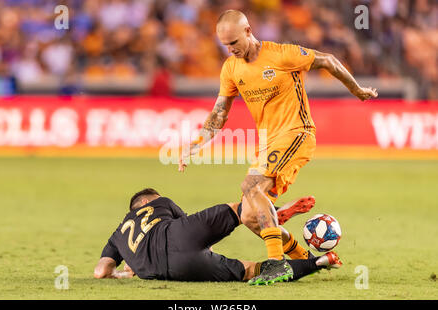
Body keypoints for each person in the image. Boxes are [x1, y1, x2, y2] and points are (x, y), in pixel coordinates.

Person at [178, 10, 377, 285]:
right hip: (268, 144)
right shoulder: (231, 68)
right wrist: (197, 143)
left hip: (297, 133)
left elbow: (328, 61)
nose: (231, 49)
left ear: (248, 31)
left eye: (234, 42)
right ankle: (301, 256)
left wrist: (356, 90)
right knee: (249, 215)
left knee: (251, 187)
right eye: (226, 45)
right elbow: (219, 113)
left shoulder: (281, 54)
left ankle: (276, 262)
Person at [94, 188, 342, 284]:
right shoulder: (160, 202)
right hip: (178, 235)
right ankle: (272, 213)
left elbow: (101, 271)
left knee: (250, 271)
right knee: (239, 209)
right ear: (146, 201)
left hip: (173, 272)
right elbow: (195, 231)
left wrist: (127, 270)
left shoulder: (117, 234)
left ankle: (319, 261)